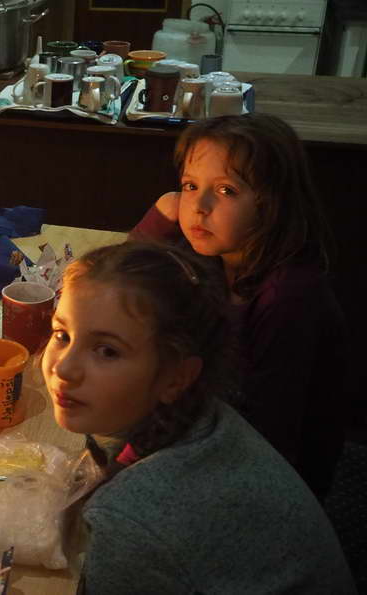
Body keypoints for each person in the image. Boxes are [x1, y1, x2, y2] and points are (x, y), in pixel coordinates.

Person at [42, 241, 354, 593]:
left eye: (107, 351)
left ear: (177, 377)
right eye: (62, 335)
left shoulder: (131, 519)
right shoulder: (200, 417)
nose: (63, 368)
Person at [130, 113, 349, 496]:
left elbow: (269, 435)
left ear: (271, 204)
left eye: (227, 190)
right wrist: (165, 209)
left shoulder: (289, 298)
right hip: (216, 426)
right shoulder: (216, 255)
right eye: (191, 185)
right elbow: (122, 282)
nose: (200, 206)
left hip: (268, 478)